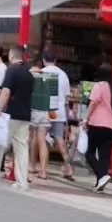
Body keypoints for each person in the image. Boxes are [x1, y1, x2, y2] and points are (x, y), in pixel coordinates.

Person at [0, 44, 35, 190]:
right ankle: (22, 182)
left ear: (12, 56)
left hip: (11, 114)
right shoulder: (29, 73)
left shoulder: (11, 70)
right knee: (22, 149)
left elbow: (5, 92)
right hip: (25, 114)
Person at [83, 65, 112, 192]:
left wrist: (85, 119)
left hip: (97, 123)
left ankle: (102, 175)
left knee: (90, 152)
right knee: (105, 156)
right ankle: (100, 182)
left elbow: (93, 103)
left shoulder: (99, 86)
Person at [41, 49, 74, 182]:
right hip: (58, 111)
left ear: (43, 60)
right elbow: (66, 98)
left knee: (40, 138)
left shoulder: (42, 73)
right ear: (55, 60)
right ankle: (68, 167)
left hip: (44, 110)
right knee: (60, 139)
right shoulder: (63, 75)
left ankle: (41, 168)